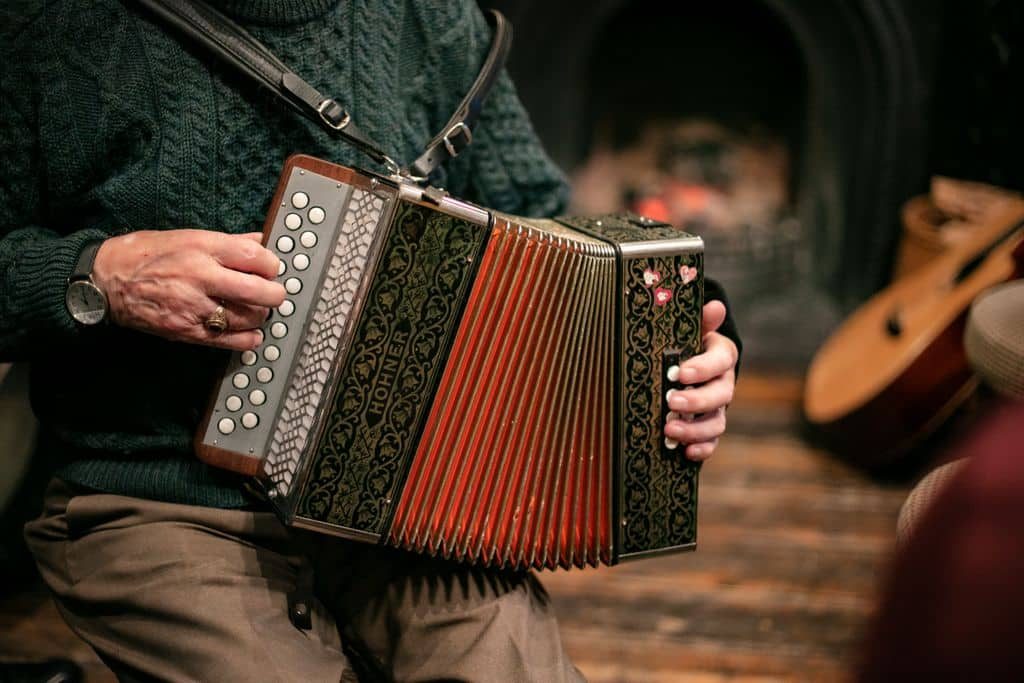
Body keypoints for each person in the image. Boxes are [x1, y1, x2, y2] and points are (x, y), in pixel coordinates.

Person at [0, 0, 741, 680]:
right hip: (158, 491)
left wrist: (691, 339)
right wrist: (100, 276)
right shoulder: (44, 25)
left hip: (418, 492)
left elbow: (549, 223)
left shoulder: (433, 14)